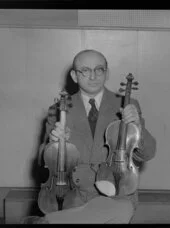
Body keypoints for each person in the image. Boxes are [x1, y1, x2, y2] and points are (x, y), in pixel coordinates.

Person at [33, 49, 156, 224]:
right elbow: (40, 160)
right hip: (72, 195)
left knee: (122, 208)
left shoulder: (128, 104)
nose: (93, 76)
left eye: (99, 69)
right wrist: (53, 144)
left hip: (114, 192)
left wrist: (136, 127)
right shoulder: (58, 109)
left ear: (107, 73)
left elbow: (148, 154)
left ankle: (49, 222)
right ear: (74, 76)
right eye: (85, 70)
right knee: (119, 212)